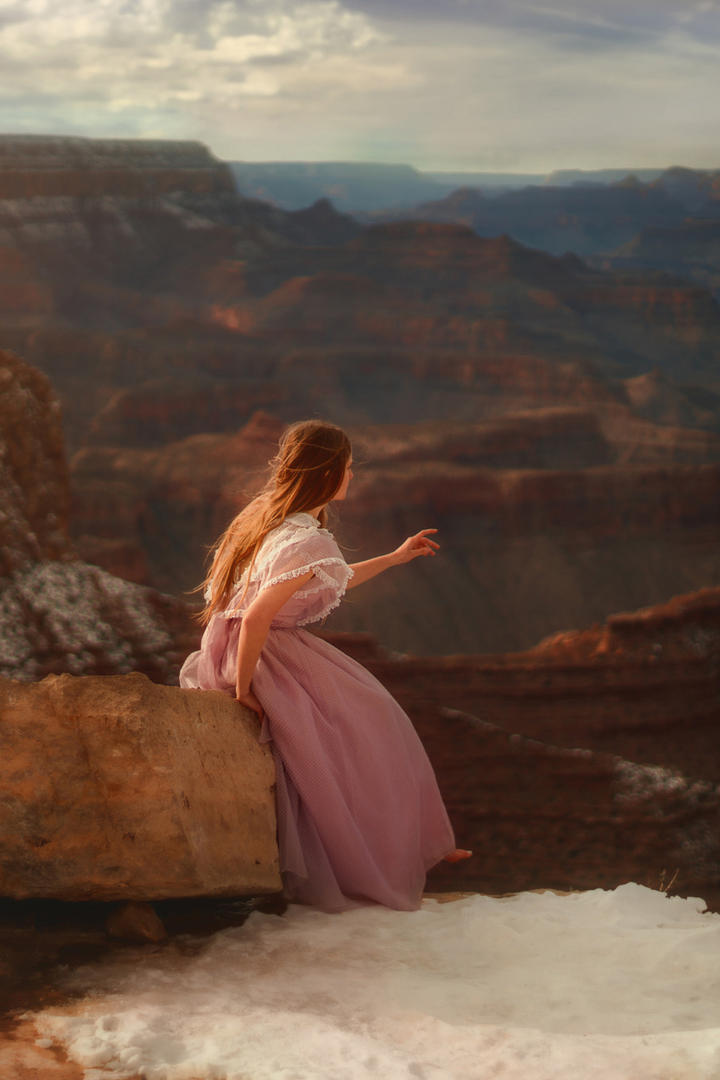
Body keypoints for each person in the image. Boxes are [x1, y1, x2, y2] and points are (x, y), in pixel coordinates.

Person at [180, 419, 468, 912]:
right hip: (265, 652)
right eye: (349, 469)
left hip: (237, 645)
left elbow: (319, 582)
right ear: (329, 472)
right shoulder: (307, 538)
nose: (352, 477)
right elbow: (256, 617)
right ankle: (384, 857)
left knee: (372, 713)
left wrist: (394, 558)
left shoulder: (267, 516)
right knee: (374, 721)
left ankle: (421, 845)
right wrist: (243, 689)